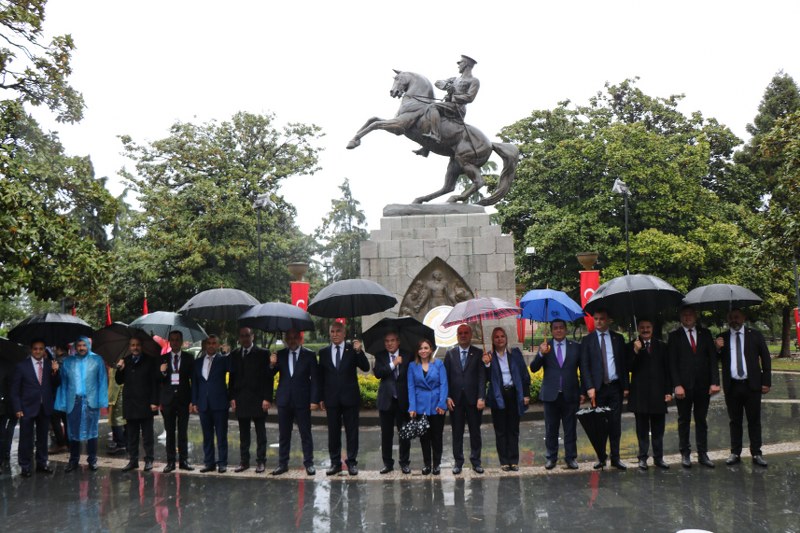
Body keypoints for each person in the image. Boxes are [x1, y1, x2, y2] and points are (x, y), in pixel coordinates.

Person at [715, 308, 771, 467]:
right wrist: (717, 348)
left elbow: (766, 358)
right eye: (731, 318)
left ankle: (757, 453)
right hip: (732, 386)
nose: (734, 320)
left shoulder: (755, 335)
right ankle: (735, 452)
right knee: (735, 421)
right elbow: (714, 359)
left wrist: (766, 381)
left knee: (754, 420)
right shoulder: (722, 337)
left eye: (737, 317)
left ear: (743, 318)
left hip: (752, 385)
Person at [668, 305, 720, 468]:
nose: (688, 317)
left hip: (703, 386)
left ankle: (703, 453)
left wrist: (714, 382)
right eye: (684, 315)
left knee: (701, 420)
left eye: (690, 314)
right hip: (683, 387)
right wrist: (676, 385)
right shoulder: (674, 336)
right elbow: (672, 364)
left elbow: (712, 359)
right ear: (680, 317)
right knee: (683, 420)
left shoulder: (705, 334)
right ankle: (685, 454)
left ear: (695, 316)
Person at [318, 322, 370, 476]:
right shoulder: (324, 352)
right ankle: (335, 463)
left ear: (344, 333)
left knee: (352, 431)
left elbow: (366, 367)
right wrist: (320, 397)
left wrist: (359, 351)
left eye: (338, 331)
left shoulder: (352, 350)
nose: (334, 334)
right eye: (332, 331)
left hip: (350, 398)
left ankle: (352, 462)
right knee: (333, 432)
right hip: (331, 398)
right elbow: (321, 377)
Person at [579, 309, 629, 470]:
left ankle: (616, 458)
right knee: (599, 426)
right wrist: (589, 387)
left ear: (609, 320)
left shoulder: (618, 339)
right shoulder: (587, 341)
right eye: (596, 319)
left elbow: (623, 364)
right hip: (598, 389)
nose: (599, 321)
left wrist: (626, 386)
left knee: (615, 424)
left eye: (602, 319)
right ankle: (601, 457)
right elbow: (584, 366)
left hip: (615, 387)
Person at [531, 319, 582, 470]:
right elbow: (533, 368)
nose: (558, 330)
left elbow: (584, 369)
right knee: (551, 428)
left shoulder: (575, 347)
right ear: (552, 331)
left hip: (570, 394)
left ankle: (571, 458)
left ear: (566, 330)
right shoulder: (546, 347)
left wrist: (584, 390)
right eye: (555, 328)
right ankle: (551, 458)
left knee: (570, 428)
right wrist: (540, 353)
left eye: (561, 328)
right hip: (550, 395)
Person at [54, 336, 108, 472]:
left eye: (84, 345)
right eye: (79, 345)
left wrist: (102, 400)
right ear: (75, 347)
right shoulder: (68, 362)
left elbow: (102, 381)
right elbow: (64, 383)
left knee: (92, 432)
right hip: (74, 401)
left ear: (88, 345)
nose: (81, 348)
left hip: (91, 401)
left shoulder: (97, 360)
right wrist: (56, 371)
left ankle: (92, 460)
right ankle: (73, 460)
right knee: (73, 432)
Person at [269, 328, 319, 476]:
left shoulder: (309, 355)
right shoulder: (280, 355)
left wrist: (314, 400)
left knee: (306, 434)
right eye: (288, 338)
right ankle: (282, 463)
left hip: (302, 400)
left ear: (300, 338)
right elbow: (269, 374)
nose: (292, 340)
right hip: (284, 400)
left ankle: (309, 463)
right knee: (284, 434)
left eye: (294, 337)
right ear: (285, 340)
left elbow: (315, 380)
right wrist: (271, 364)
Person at [626, 319, 672, 471]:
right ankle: (642, 458)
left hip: (658, 393)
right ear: (638, 329)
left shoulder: (662, 346)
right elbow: (627, 367)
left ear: (652, 328)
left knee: (659, 429)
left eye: (648, 327)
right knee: (642, 429)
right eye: (642, 327)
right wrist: (635, 351)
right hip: (640, 394)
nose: (645, 330)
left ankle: (658, 458)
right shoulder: (632, 345)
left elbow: (667, 370)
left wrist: (668, 391)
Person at [10, 339, 60, 477]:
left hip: (45, 407)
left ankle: (42, 463)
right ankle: (25, 466)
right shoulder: (21, 366)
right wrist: (17, 408)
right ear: (31, 350)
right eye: (35, 349)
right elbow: (15, 391)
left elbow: (56, 384)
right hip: (26, 408)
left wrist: (56, 372)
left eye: (41, 348)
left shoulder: (50, 365)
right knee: (26, 438)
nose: (38, 351)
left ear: (44, 350)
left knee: (43, 438)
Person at [415, 55, 480, 156]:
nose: (458, 65)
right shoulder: (455, 79)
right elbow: (437, 82)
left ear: (466, 64)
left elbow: (470, 97)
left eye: (460, 62)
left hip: (457, 107)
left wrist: (455, 97)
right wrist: (446, 85)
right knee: (430, 116)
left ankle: (435, 135)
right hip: (448, 104)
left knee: (433, 107)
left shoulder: (473, 81)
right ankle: (426, 148)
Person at [443, 323, 486, 474]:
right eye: (460, 333)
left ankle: (476, 461)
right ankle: (458, 462)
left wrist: (481, 396)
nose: (463, 335)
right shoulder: (450, 354)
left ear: (471, 335)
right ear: (457, 335)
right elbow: (445, 378)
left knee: (475, 432)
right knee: (457, 433)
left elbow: (482, 377)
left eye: (466, 333)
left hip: (474, 400)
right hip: (455, 401)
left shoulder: (478, 353)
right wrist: (447, 397)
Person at [485, 327, 531, 472]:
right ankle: (504, 461)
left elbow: (524, 374)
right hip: (498, 395)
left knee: (513, 429)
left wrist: (526, 394)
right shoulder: (489, 356)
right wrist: (486, 364)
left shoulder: (514, 353)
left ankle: (514, 460)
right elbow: (486, 378)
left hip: (513, 394)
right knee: (500, 430)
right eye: (497, 337)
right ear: (493, 340)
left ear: (506, 338)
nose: (500, 339)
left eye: (502, 336)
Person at [229, 327, 272, 473]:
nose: (245, 338)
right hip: (241, 399)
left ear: (252, 336)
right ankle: (244, 461)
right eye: (242, 336)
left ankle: (261, 461)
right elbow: (232, 378)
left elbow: (268, 378)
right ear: (239, 338)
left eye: (247, 335)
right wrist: (232, 397)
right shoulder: (234, 354)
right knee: (243, 434)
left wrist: (267, 398)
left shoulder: (262, 353)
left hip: (259, 399)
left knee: (261, 433)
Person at [115, 338, 159, 472]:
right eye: (133, 345)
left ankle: (149, 459)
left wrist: (154, 401)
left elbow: (154, 383)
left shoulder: (150, 360)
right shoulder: (125, 361)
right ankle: (133, 460)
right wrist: (120, 369)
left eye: (138, 345)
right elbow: (118, 381)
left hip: (146, 403)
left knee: (147, 435)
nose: (135, 347)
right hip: (131, 403)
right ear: (129, 347)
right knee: (131, 435)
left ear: (141, 346)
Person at [373, 331, 412, 474]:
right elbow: (378, 373)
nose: (389, 343)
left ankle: (404, 463)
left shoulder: (408, 355)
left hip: (403, 400)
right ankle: (387, 463)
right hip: (386, 401)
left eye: (392, 340)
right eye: (387, 341)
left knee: (404, 433)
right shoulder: (380, 356)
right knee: (386, 434)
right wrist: (393, 363)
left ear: (398, 341)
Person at [407, 339, 448, 475]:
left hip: (437, 406)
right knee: (424, 437)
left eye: (426, 348)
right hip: (421, 406)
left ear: (431, 349)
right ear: (417, 351)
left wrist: (442, 404)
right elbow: (411, 387)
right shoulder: (412, 366)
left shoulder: (439, 364)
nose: (423, 351)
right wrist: (412, 407)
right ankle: (427, 464)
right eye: (420, 348)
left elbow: (444, 384)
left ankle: (436, 464)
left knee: (437, 437)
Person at [190, 334, 230, 473]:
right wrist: (194, 401)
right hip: (203, 404)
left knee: (221, 435)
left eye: (214, 343)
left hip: (220, 404)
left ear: (218, 345)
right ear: (205, 345)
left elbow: (233, 375)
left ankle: (222, 463)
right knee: (207, 436)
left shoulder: (223, 360)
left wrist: (230, 397)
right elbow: (195, 383)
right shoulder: (198, 362)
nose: (211, 345)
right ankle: (209, 463)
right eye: (209, 343)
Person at [159, 330, 194, 473]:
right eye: (172, 339)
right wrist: (162, 372)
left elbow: (193, 380)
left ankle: (184, 461)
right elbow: (158, 380)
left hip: (183, 400)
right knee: (170, 432)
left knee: (183, 432)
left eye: (177, 339)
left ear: (181, 341)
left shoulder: (189, 358)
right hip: (168, 401)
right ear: (169, 341)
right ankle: (170, 462)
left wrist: (192, 400)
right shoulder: (163, 359)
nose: (174, 342)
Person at [47, 344, 69, 454]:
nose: (54, 349)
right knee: (66, 419)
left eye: (55, 347)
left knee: (55, 419)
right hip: (69, 394)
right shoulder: (71, 360)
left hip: (58, 394)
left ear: (59, 348)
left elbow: (54, 380)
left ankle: (61, 443)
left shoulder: (56, 361)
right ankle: (68, 442)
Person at [0, 359, 18, 471]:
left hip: (3, 406)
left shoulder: (7, 366)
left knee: (2, 433)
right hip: (6, 405)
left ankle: (3, 454)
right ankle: (5, 452)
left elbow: (11, 388)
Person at [107, 366, 126, 455]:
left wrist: (110, 399)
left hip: (117, 395)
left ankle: (121, 444)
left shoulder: (117, 364)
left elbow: (114, 383)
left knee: (116, 419)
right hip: (119, 394)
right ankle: (123, 443)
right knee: (122, 420)